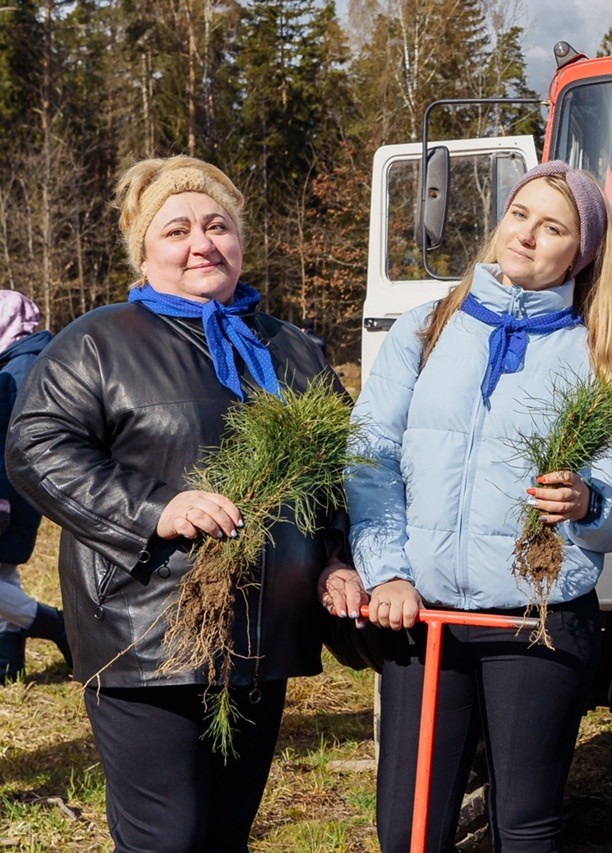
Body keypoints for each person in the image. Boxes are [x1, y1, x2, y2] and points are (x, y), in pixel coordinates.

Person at [5, 155, 364, 853]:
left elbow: (340, 478)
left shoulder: (292, 350)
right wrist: (155, 510)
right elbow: (35, 447)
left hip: (265, 634)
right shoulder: (99, 341)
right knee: (166, 837)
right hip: (144, 633)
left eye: (217, 225)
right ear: (144, 253)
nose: (201, 242)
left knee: (227, 833)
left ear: (240, 240)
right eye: (176, 230)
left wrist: (338, 558)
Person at [346, 160, 612, 853]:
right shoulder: (427, 328)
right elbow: (370, 460)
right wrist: (385, 572)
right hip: (424, 617)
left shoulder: (598, 358)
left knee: (525, 828)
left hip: (538, 621)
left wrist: (587, 502)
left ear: (583, 253)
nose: (529, 235)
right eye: (520, 215)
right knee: (409, 830)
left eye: (554, 227)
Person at [0, 291, 70, 682]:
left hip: (9, 493)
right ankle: (7, 663)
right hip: (11, 492)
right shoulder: (16, 360)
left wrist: (2, 500)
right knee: (4, 574)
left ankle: (52, 623)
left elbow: (11, 444)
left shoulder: (22, 366)